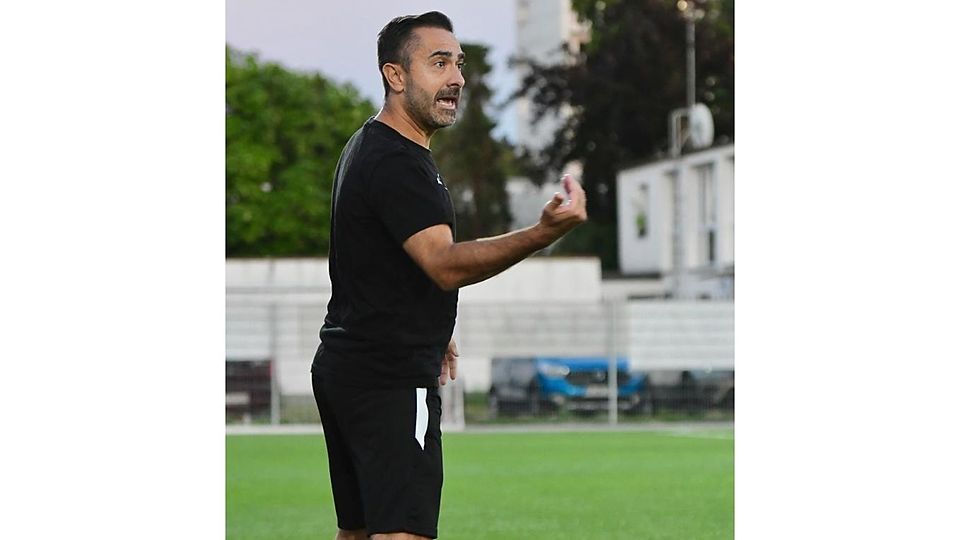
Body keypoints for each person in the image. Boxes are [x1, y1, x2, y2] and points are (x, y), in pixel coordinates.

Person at [311, 11, 587, 540]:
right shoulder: (399, 161)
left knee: (360, 531)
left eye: (458, 64)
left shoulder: (367, 145)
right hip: (388, 376)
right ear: (396, 76)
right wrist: (542, 232)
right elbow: (441, 263)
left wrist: (434, 328)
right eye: (438, 63)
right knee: (402, 532)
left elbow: (378, 262)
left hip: (347, 366)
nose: (457, 77)